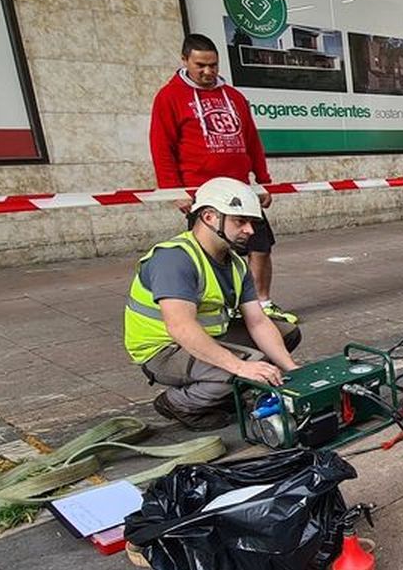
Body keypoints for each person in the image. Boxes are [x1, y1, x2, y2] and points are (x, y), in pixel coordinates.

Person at [125, 178, 301, 431]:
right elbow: (181, 327)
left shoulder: (236, 264)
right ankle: (177, 403)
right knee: (242, 371)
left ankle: (224, 389)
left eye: (252, 223)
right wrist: (241, 366)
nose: (250, 230)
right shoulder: (176, 259)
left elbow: (258, 321)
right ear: (209, 217)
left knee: (287, 333)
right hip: (162, 349)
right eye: (240, 221)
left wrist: (293, 372)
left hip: (205, 336)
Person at [149, 33, 298, 325]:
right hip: (202, 193)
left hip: (241, 188)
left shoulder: (234, 97)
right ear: (185, 61)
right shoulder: (169, 97)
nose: (207, 72)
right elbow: (161, 146)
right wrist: (174, 189)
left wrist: (262, 180)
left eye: (213, 65)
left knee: (259, 246)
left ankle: (262, 304)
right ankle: (224, 308)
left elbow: (252, 140)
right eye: (200, 65)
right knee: (213, 252)